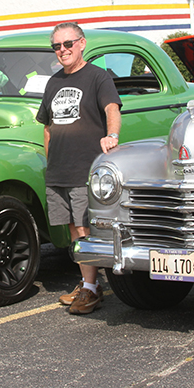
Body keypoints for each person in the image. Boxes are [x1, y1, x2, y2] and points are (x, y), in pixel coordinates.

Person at [36, 22, 121, 315]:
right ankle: (87, 283)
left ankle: (91, 289)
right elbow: (47, 127)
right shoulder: (53, 83)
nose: (62, 50)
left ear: (82, 43)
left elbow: (112, 108)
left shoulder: (98, 77)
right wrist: (51, 161)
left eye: (68, 44)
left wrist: (112, 136)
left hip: (85, 168)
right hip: (59, 170)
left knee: (86, 227)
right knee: (73, 228)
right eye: (57, 46)